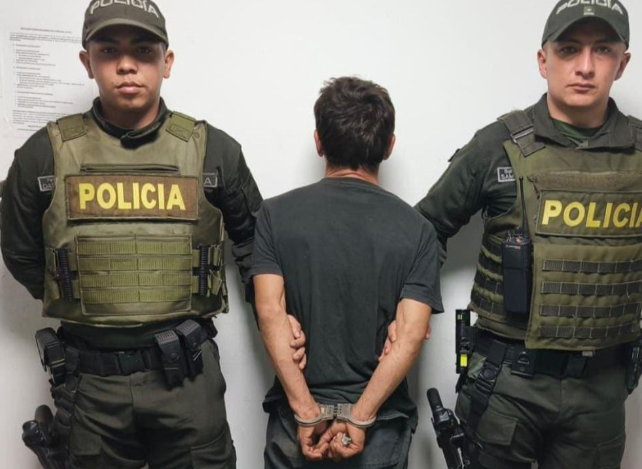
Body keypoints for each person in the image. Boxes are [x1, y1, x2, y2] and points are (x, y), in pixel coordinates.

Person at [0, 1, 304, 468]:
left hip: (188, 378)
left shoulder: (214, 152)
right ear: (87, 62)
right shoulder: (42, 156)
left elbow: (257, 247)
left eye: (143, 50)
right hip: (90, 383)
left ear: (167, 61)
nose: (126, 65)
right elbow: (20, 252)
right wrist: (85, 293)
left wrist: (279, 316)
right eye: (108, 50)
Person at [415, 1, 642, 468]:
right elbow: (425, 229)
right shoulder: (497, 145)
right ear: (544, 60)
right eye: (568, 49)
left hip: (600, 387)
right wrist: (415, 308)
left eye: (602, 50)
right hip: (506, 384)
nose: (585, 66)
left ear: (622, 63)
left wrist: (612, 264)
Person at [251, 76, 444, 469]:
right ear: (389, 147)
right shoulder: (418, 230)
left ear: (319, 142)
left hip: (296, 421)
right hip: (379, 425)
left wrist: (306, 410)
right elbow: (410, 334)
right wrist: (360, 416)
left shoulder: (274, 215)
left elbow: (269, 312)